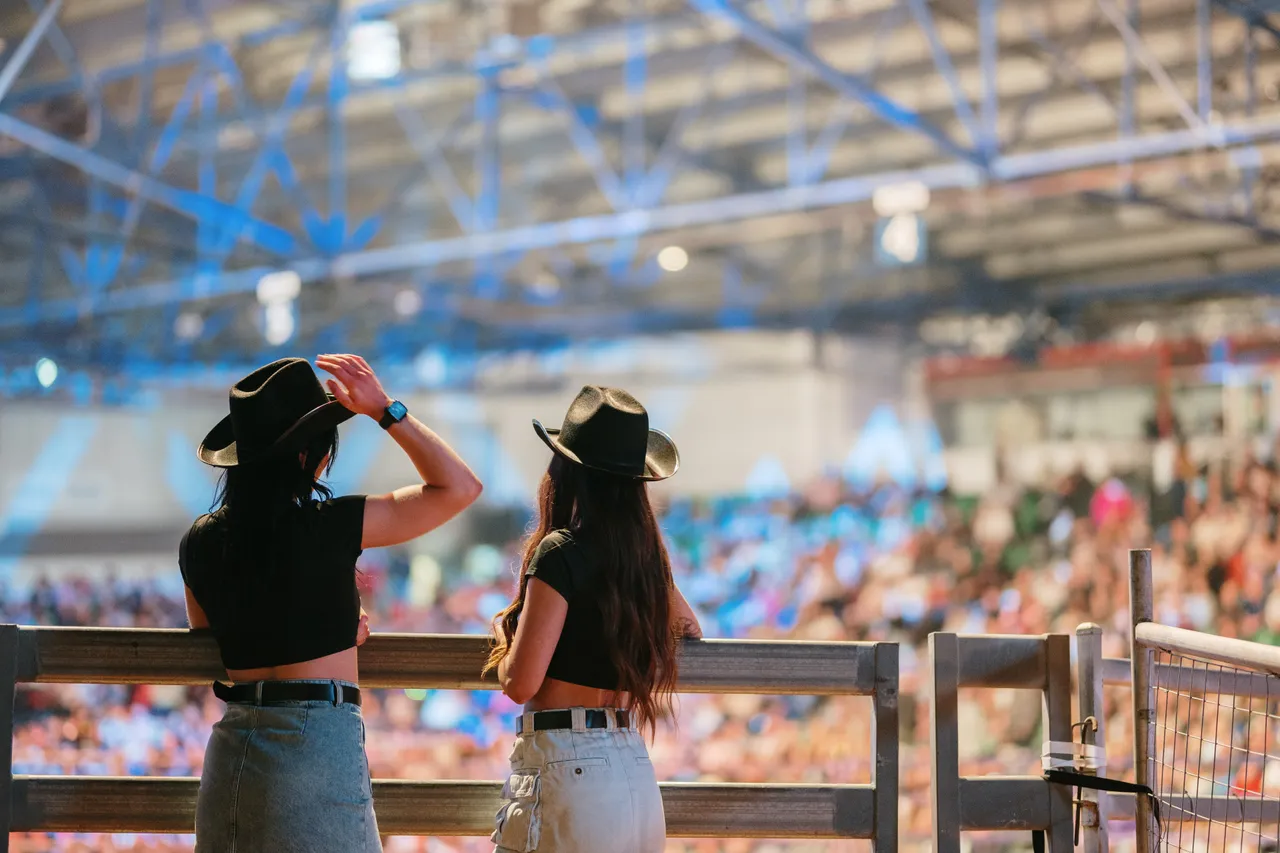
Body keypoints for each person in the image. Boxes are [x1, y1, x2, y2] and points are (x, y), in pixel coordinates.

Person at [180, 355, 482, 853]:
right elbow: (459, 487)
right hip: (315, 745)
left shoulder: (199, 541)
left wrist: (331, 618)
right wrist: (385, 409)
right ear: (307, 456)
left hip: (232, 749)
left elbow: (212, 637)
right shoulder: (332, 524)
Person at [484, 385, 702, 853]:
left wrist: (505, 643)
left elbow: (521, 683)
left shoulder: (560, 552)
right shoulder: (643, 563)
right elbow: (690, 627)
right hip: (632, 769)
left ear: (565, 471)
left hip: (569, 767)